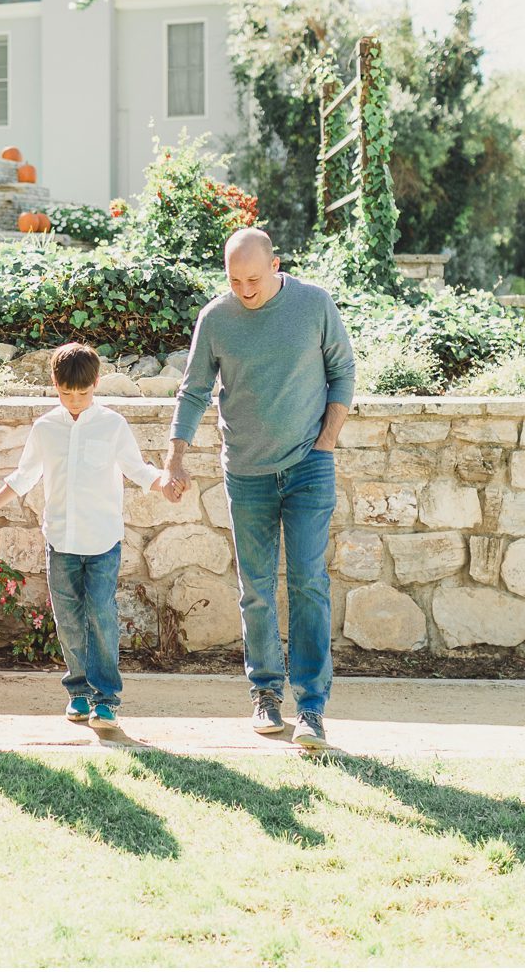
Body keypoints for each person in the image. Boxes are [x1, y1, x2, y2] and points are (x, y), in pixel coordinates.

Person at [166, 228, 355, 748]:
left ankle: (312, 707)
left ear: (276, 265)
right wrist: (175, 456)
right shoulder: (217, 317)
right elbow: (194, 390)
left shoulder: (313, 304)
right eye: (234, 280)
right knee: (255, 588)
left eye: (253, 278)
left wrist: (327, 442)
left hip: (308, 466)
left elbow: (342, 372)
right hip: (246, 472)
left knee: (308, 582)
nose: (245, 290)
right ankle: (266, 695)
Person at [0, 343, 177, 730]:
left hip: (103, 541)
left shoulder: (112, 425)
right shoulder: (45, 428)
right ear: (55, 385)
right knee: (68, 620)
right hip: (61, 542)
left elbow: (137, 470)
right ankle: (78, 693)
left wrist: (164, 486)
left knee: (101, 616)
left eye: (82, 393)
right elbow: (24, 475)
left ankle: (106, 698)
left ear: (96, 384)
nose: (74, 400)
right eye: (66, 392)